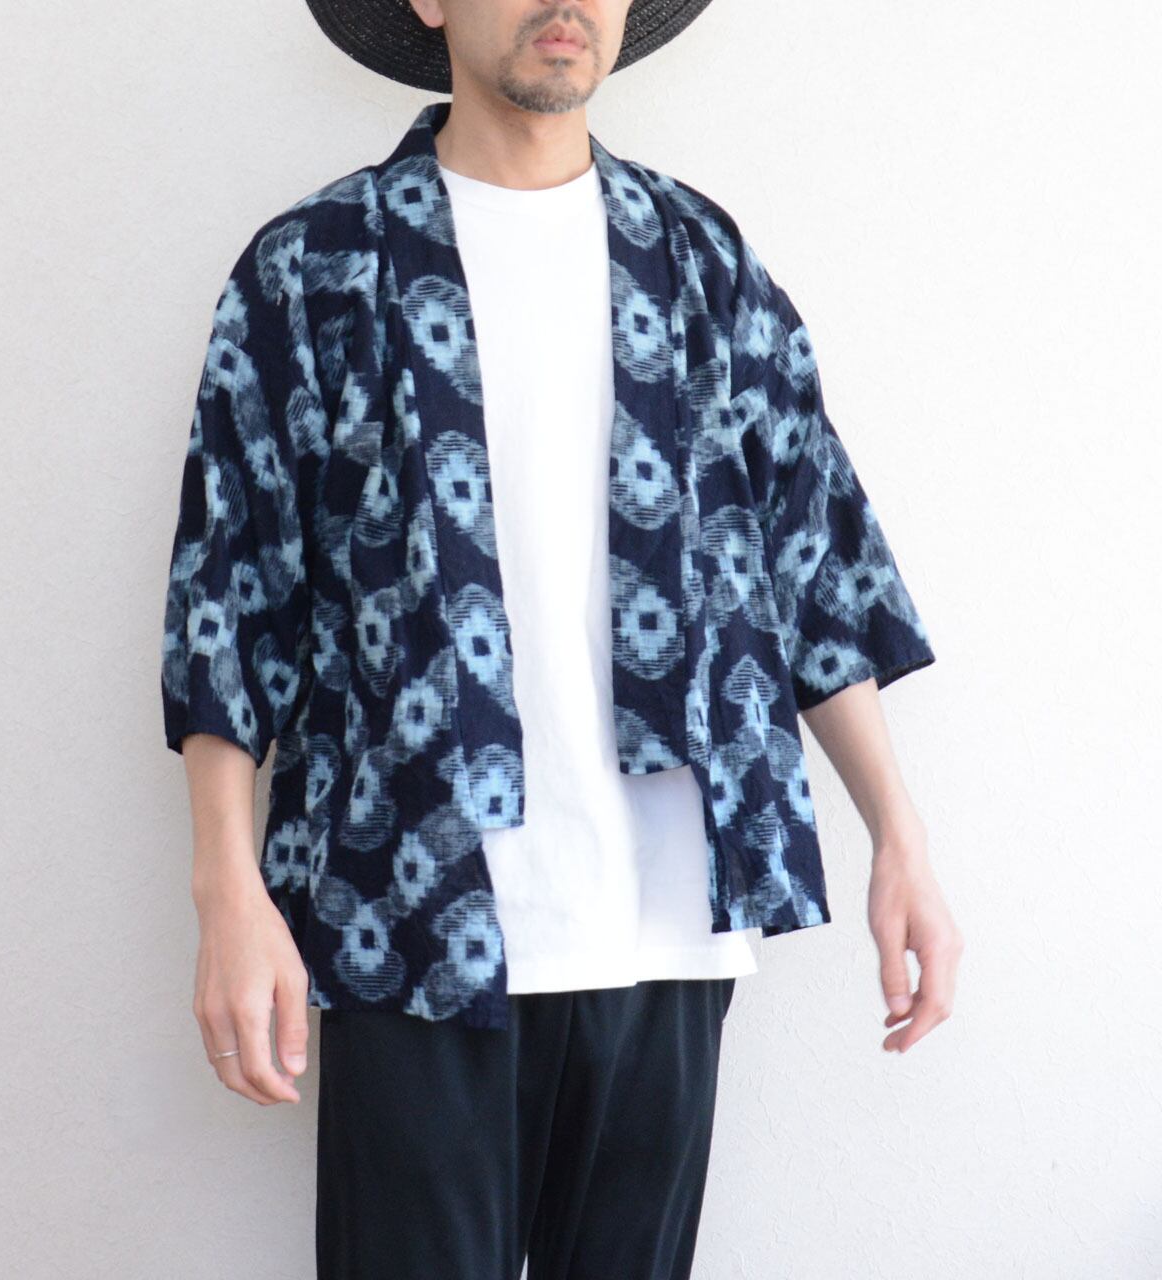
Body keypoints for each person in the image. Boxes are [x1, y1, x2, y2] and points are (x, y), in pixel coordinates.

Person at [159, 2, 964, 1275]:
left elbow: (810, 562)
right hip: (405, 906)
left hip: (668, 914)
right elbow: (230, 594)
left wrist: (898, 838)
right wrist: (225, 889)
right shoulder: (316, 265)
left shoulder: (697, 258)